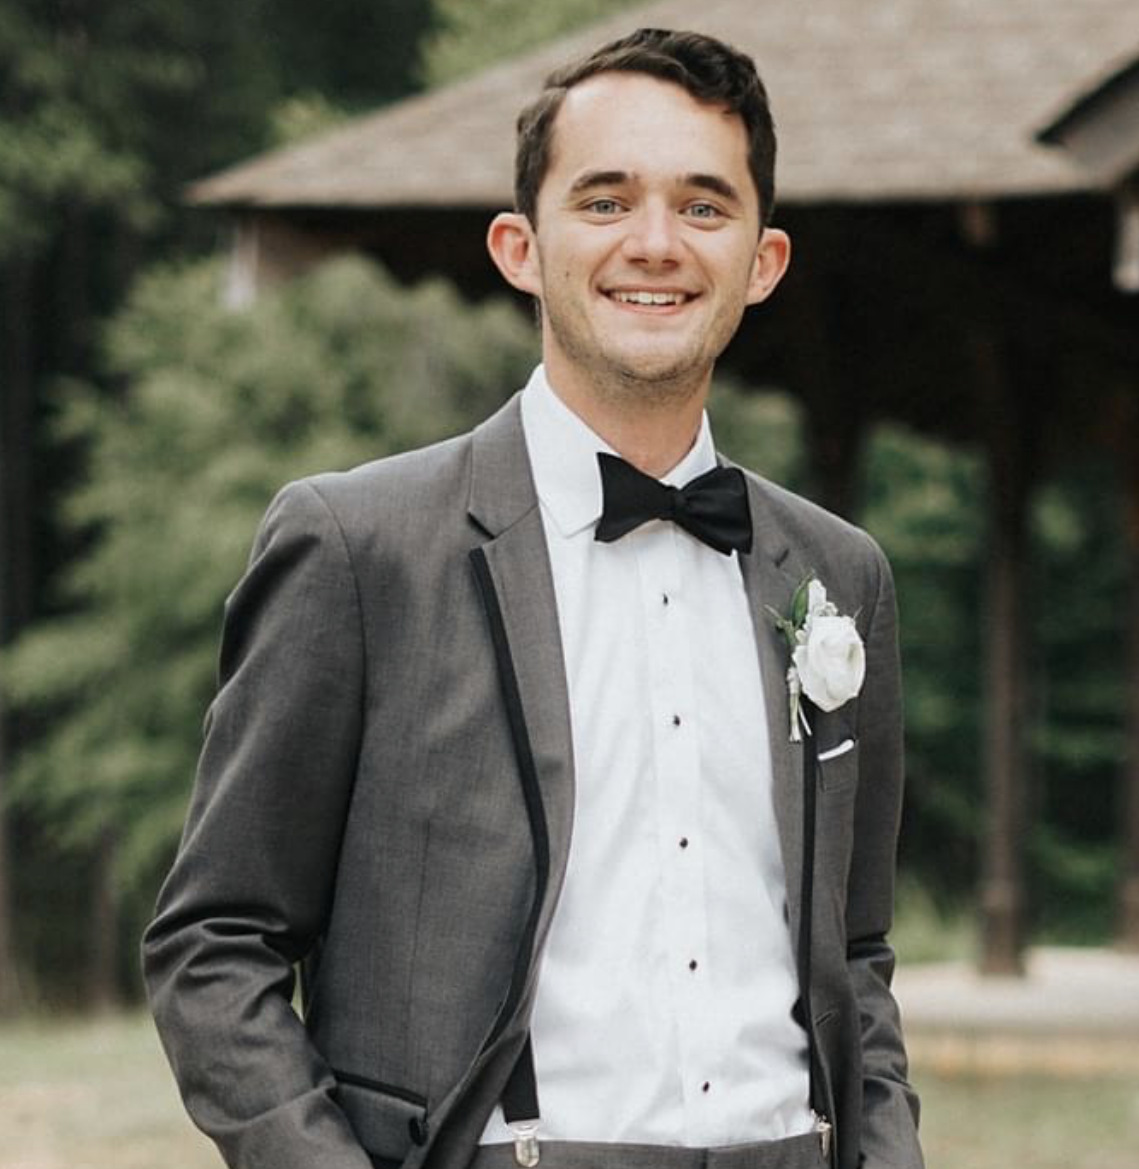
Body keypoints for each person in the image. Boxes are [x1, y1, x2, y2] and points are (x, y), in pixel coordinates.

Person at [144, 27, 923, 1169]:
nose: (655, 242)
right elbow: (214, 944)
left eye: (704, 206)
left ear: (763, 261)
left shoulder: (838, 573)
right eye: (605, 201)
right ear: (520, 246)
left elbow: (855, 952)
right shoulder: (360, 549)